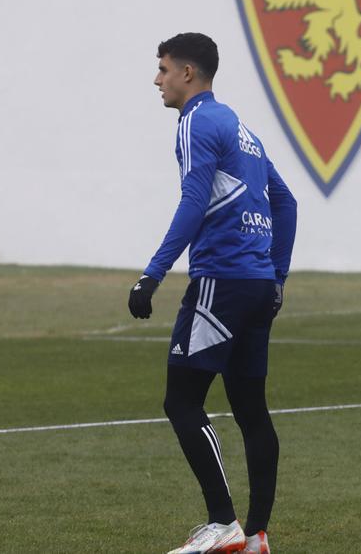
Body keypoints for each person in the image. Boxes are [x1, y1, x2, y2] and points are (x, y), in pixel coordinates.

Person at [129, 33, 297, 554]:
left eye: (162, 69)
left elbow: (193, 201)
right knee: (250, 407)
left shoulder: (196, 121)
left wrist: (151, 275)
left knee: (181, 399)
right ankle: (258, 535)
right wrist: (277, 278)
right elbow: (285, 202)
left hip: (219, 283)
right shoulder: (241, 128)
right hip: (255, 286)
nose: (156, 79)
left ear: (187, 73)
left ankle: (223, 522)